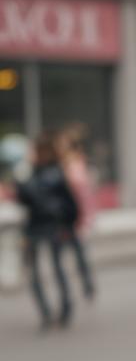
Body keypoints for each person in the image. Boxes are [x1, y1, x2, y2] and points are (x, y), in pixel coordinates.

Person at [15, 130, 80, 331]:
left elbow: (69, 203)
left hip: (51, 226)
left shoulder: (53, 173)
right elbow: (24, 200)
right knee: (36, 272)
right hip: (36, 227)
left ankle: (62, 308)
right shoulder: (32, 172)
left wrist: (68, 224)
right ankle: (47, 312)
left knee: (55, 268)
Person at [57, 121, 97, 301]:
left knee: (77, 253)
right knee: (75, 253)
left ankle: (87, 285)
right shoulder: (64, 163)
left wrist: (85, 217)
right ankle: (86, 284)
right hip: (67, 216)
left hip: (73, 216)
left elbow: (82, 192)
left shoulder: (75, 164)